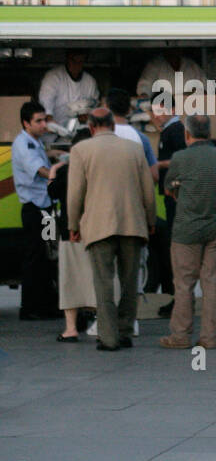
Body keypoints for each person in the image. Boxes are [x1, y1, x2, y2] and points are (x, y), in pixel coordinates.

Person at [66, 108, 156, 351]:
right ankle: (126, 331)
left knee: (103, 282)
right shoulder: (135, 150)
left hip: (98, 226)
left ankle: (108, 337)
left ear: (92, 127)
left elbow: (75, 194)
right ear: (112, 126)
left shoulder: (80, 150)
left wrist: (73, 225)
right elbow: (148, 191)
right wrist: (150, 221)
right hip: (132, 224)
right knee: (129, 281)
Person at [158, 115, 216, 350]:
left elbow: (168, 187)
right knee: (210, 283)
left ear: (187, 135)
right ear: (209, 133)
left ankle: (180, 335)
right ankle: (210, 337)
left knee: (184, 283)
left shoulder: (180, 158)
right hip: (215, 229)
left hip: (186, 230)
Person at [13, 102, 63, 320]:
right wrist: (57, 172)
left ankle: (47, 305)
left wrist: (58, 153)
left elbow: (44, 157)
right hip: (36, 209)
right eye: (38, 121)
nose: (44, 125)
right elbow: (40, 170)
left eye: (45, 120)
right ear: (26, 123)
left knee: (48, 256)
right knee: (35, 257)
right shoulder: (24, 144)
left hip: (46, 207)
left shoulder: (35, 141)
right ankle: (30, 308)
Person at [47, 131, 94, 342]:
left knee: (70, 279)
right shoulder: (97, 169)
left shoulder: (66, 170)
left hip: (70, 232)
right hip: (96, 230)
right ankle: (101, 322)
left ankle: (71, 328)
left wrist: (54, 169)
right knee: (97, 278)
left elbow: (52, 193)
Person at [149, 91, 187, 315]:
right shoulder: (168, 131)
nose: (155, 116)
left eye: (160, 110)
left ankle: (179, 301)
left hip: (176, 198)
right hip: (170, 196)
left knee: (177, 249)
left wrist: (160, 165)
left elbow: (181, 158)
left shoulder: (175, 131)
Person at [106, 89, 159, 183]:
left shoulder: (98, 137)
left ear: (106, 108)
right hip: (133, 193)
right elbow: (154, 175)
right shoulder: (142, 138)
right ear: (129, 109)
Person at [38, 51, 99, 129]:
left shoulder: (90, 81)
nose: (76, 64)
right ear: (67, 59)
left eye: (80, 61)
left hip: (80, 132)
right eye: (73, 60)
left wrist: (87, 116)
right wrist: (50, 122)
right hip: (53, 134)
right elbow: (45, 106)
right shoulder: (53, 77)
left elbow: (95, 106)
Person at [136, 49, 206, 99]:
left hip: (192, 109)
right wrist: (143, 96)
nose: (173, 52)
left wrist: (193, 93)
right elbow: (145, 87)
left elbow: (205, 88)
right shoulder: (155, 65)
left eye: (176, 49)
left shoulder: (191, 65)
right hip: (165, 110)